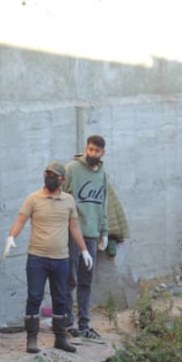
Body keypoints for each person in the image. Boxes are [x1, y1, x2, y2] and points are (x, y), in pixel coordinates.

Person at [4, 162, 93, 354]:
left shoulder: (68, 201)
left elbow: (74, 227)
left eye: (54, 175)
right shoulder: (33, 199)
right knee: (34, 297)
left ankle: (60, 338)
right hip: (37, 257)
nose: (50, 177)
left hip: (61, 259)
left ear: (62, 180)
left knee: (60, 298)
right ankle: (32, 338)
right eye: (47, 174)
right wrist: (11, 237)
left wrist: (84, 250)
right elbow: (20, 221)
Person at [62, 134, 109, 339]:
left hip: (91, 234)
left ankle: (84, 324)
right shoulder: (72, 169)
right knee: (69, 280)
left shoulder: (102, 174)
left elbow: (103, 204)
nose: (92, 154)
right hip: (72, 234)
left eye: (96, 151)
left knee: (86, 281)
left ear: (103, 153)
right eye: (90, 149)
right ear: (85, 148)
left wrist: (104, 232)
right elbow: (59, 197)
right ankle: (66, 323)